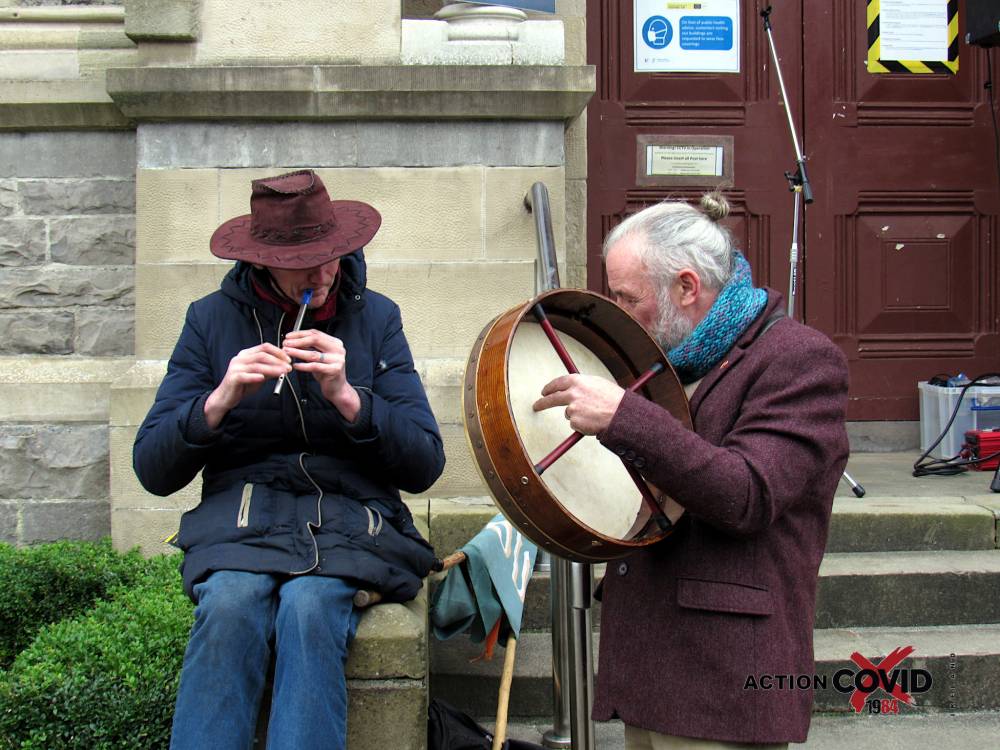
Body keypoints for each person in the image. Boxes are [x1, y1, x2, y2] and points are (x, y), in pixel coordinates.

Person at [133, 170, 445, 750]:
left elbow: (425, 461)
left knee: (309, 606)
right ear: (262, 261)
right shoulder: (210, 320)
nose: (325, 273)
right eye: (306, 262)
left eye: (334, 256)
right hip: (244, 519)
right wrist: (218, 401)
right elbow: (152, 468)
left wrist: (350, 398)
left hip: (352, 520)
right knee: (229, 602)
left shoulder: (376, 317)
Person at [532, 193, 849, 748]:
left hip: (726, 682)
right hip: (650, 667)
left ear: (686, 286)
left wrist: (625, 418)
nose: (617, 312)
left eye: (628, 298)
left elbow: (748, 494)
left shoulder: (799, 359)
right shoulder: (665, 361)